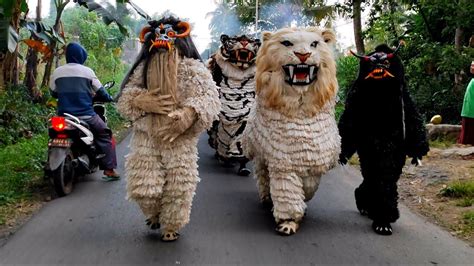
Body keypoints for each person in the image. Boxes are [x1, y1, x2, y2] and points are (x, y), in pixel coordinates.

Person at [50, 42, 119, 180]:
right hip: (86, 115)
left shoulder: (57, 71)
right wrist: (109, 98)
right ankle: (109, 170)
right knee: (105, 134)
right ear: (81, 56)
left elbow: (53, 93)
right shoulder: (88, 72)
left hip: (64, 117)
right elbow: (101, 92)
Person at [459, 61, 474, 145]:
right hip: (468, 110)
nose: (471, 67)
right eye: (471, 65)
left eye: (473, 66)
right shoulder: (472, 80)